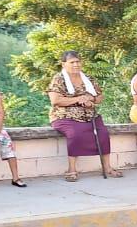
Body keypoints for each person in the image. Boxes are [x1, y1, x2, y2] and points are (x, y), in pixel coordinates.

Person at [47, 50, 121, 181]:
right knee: (75, 134)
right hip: (65, 116)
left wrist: (90, 100)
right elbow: (55, 100)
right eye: (72, 62)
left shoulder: (88, 79)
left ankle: (107, 167)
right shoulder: (58, 79)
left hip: (89, 115)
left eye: (78, 61)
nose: (76, 64)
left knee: (103, 133)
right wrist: (78, 99)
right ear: (63, 64)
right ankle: (72, 169)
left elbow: (99, 97)